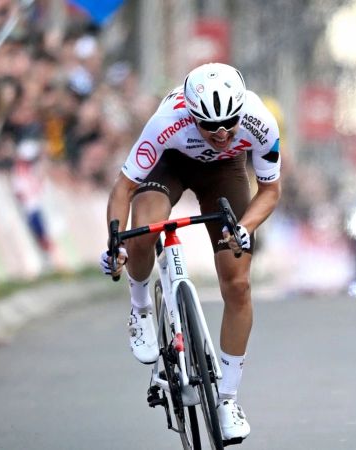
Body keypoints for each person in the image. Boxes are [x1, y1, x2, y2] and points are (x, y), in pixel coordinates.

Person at [101, 62, 281, 443]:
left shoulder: (260, 121)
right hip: (170, 165)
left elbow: (270, 191)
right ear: (190, 113)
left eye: (230, 123)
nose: (221, 132)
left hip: (224, 172)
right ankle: (141, 307)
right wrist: (114, 244)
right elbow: (122, 189)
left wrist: (245, 229)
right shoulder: (167, 120)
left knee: (239, 284)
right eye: (210, 125)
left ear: (241, 112)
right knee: (143, 230)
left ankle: (228, 399)